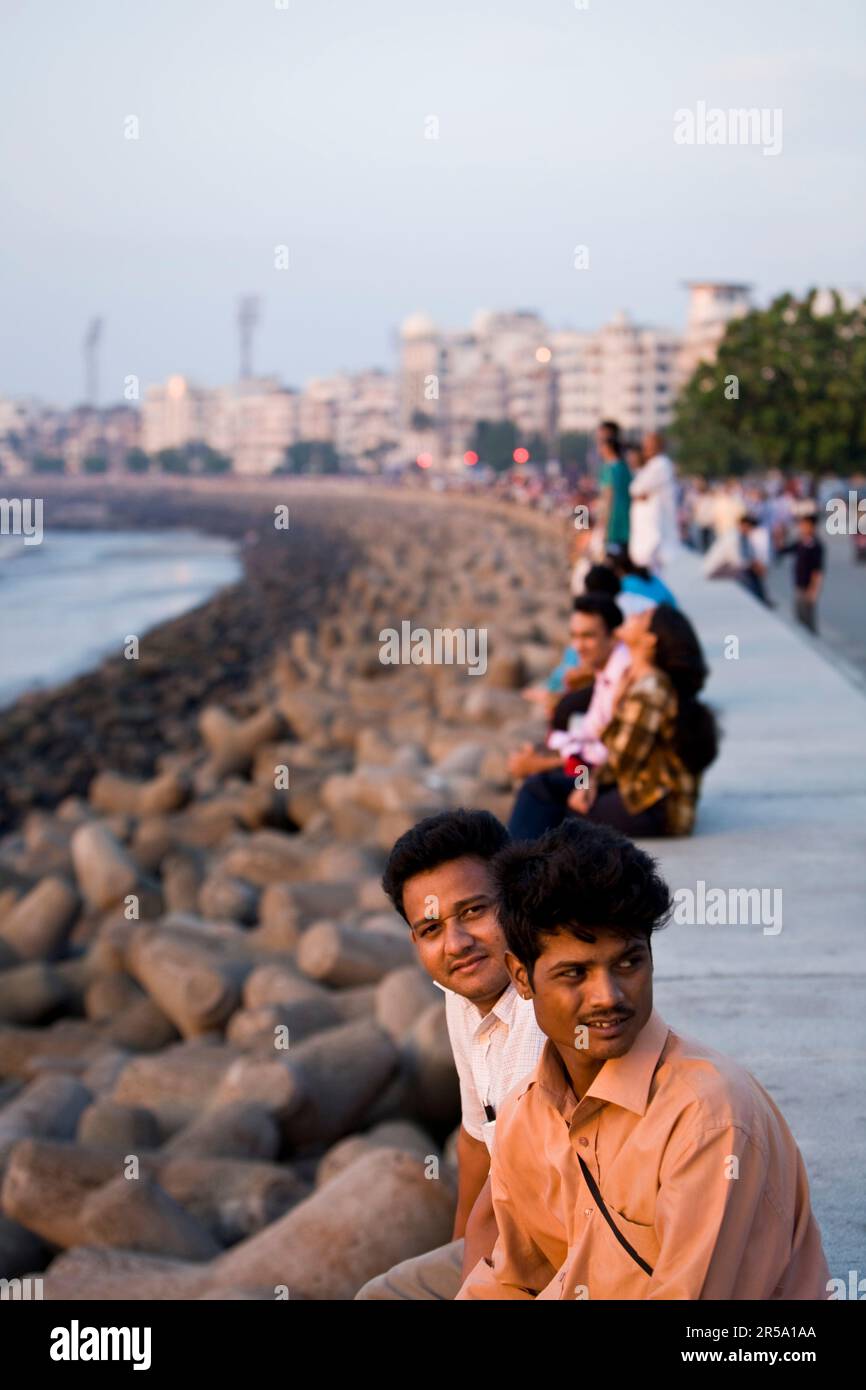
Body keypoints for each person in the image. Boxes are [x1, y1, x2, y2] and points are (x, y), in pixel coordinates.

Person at [457, 820, 831, 1301]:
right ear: (522, 978)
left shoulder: (707, 1119)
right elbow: (514, 1280)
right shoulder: (525, 1116)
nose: (608, 996)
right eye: (575, 973)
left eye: (629, 963)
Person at [354, 809, 545, 1300]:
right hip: (516, 1234)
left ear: (516, 898)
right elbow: (476, 1141)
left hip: (575, 1242)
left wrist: (469, 1285)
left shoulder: (544, 1008)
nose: (457, 944)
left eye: (474, 912)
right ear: (415, 940)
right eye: (432, 929)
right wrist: (461, 1250)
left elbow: (526, 1186)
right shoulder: (460, 995)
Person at [510, 603, 717, 839]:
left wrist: (588, 783)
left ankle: (509, 870)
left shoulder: (651, 687)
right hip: (641, 792)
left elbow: (621, 758)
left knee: (555, 808)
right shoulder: (639, 680)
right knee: (543, 790)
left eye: (642, 616)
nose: (633, 614)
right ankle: (513, 866)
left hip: (655, 808)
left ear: (650, 640)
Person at [508, 596, 628, 787]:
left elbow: (604, 757)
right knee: (536, 775)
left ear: (614, 636)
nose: (577, 646)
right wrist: (546, 753)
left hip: (601, 780)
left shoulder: (622, 677)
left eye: (588, 636)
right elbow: (589, 734)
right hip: (587, 766)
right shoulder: (604, 672)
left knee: (537, 787)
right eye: (574, 636)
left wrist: (542, 764)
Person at [628, 432, 678, 571]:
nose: (644, 450)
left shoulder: (660, 464)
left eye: (648, 446)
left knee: (654, 567)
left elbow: (636, 489)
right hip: (649, 529)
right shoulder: (650, 466)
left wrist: (640, 494)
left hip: (656, 529)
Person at [780, 510, 824, 634]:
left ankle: (813, 645)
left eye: (804, 525)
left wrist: (814, 590)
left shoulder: (816, 545)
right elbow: (784, 550)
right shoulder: (801, 542)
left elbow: (818, 570)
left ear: (812, 526)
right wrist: (779, 536)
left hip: (808, 587)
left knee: (807, 619)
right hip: (799, 585)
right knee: (799, 617)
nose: (802, 528)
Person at [606, 547, 677, 614]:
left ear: (618, 570)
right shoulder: (649, 574)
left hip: (659, 615)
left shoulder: (627, 583)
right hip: (672, 612)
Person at [596, 421, 631, 551]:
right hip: (626, 528)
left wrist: (602, 528)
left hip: (614, 529)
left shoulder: (609, 469)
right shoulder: (625, 466)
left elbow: (607, 499)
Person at [736, 513, 772, 606]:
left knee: (755, 588)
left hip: (755, 567)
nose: (740, 529)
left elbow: (759, 553)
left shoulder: (757, 535)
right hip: (752, 567)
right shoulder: (752, 534)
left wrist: (759, 565)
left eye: (742, 526)